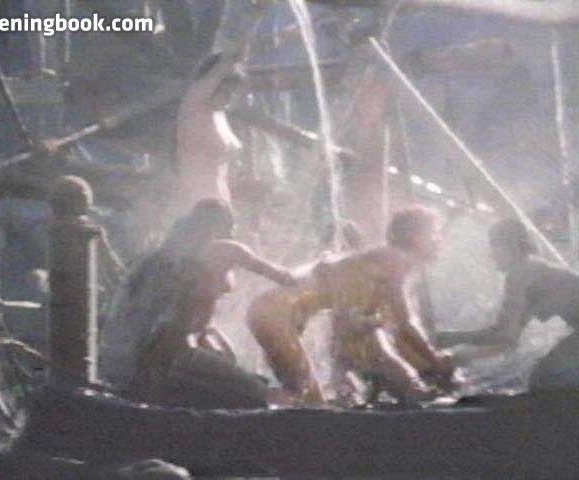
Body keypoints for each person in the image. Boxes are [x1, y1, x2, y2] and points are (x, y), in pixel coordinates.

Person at [247, 206, 455, 405]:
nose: (439, 240)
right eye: (433, 233)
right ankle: (249, 395)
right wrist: (434, 364)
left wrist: (413, 376)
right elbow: (404, 324)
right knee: (310, 403)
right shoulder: (394, 258)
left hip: (270, 313)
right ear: (412, 235)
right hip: (274, 316)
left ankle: (255, 396)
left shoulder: (375, 266)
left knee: (308, 398)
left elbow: (357, 332)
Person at [100, 198, 294, 408]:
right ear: (218, 228)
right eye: (231, 228)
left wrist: (211, 338)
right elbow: (283, 276)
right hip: (167, 357)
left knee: (239, 374)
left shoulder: (162, 256)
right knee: (257, 393)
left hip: (130, 359)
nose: (233, 233)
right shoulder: (222, 250)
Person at [437, 218, 579, 390]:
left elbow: (504, 336)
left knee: (545, 380)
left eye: (494, 246)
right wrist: (457, 353)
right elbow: (506, 340)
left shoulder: (521, 273)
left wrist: (450, 341)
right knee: (544, 379)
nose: (491, 255)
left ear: (510, 247)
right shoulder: (532, 268)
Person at [172, 53, 244, 216]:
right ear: (211, 88)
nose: (231, 97)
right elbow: (218, 71)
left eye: (233, 92)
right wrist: (238, 52)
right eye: (226, 91)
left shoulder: (218, 115)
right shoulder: (193, 105)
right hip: (196, 200)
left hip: (218, 197)